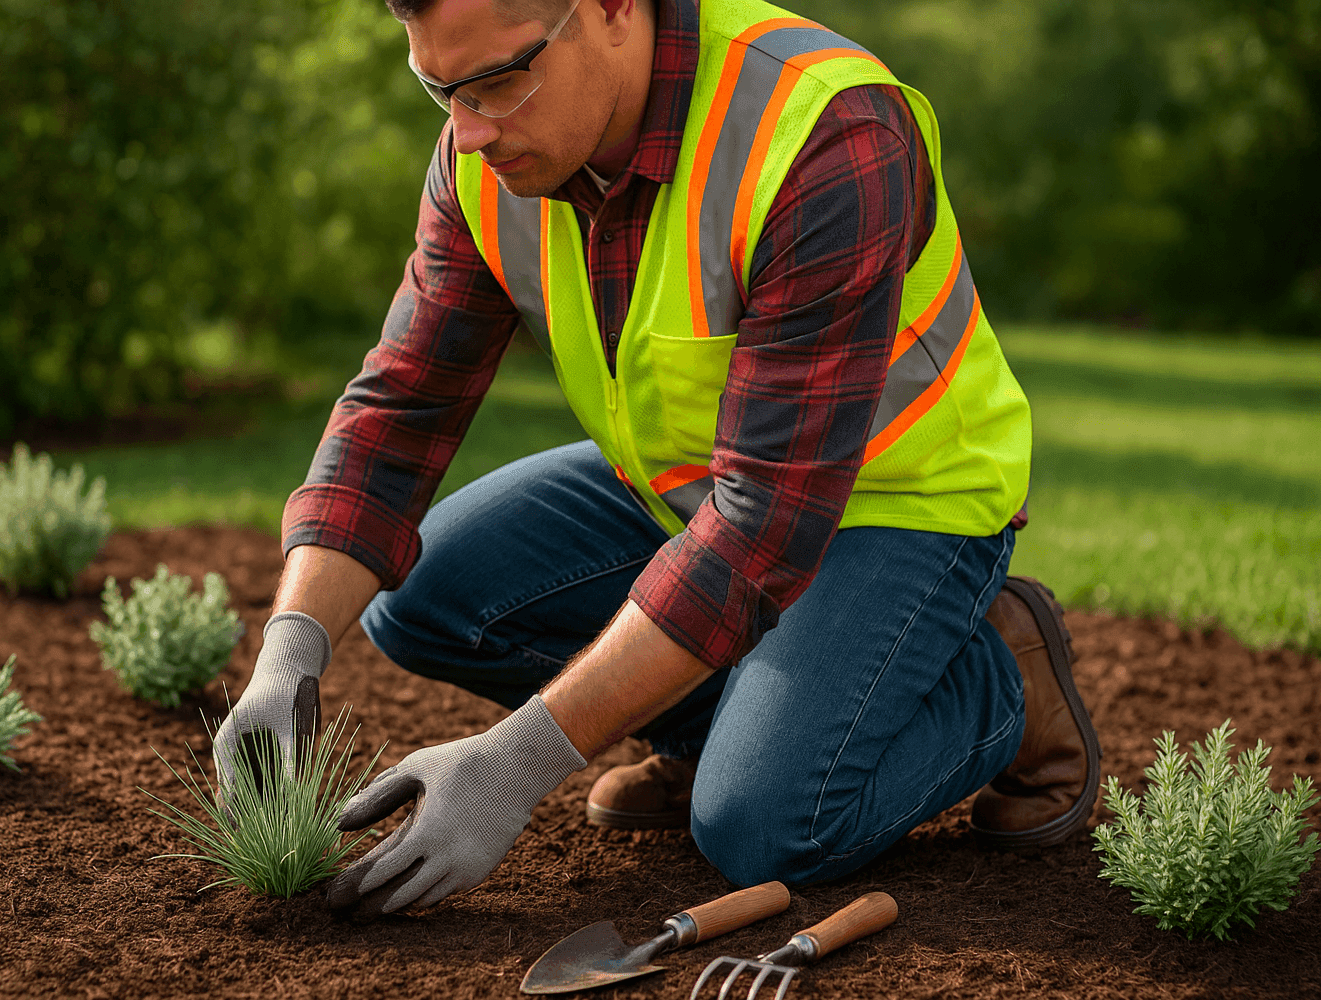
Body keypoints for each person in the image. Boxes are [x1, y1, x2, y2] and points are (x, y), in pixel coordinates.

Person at [212, 0, 1101, 919]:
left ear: (611, 10)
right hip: (697, 489)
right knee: (425, 596)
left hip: (900, 500)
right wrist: (288, 656)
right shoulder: (486, 156)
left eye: (498, 81)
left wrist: (513, 765)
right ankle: (729, 722)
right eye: (438, 87)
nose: (467, 132)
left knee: (763, 827)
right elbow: (400, 410)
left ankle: (1002, 677)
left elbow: (762, 535)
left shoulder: (824, 131)